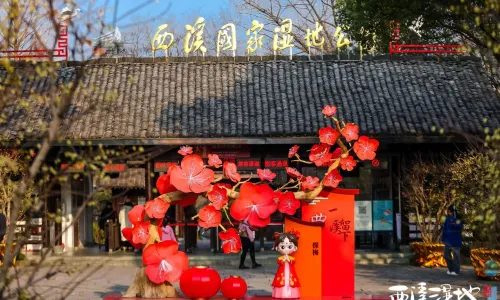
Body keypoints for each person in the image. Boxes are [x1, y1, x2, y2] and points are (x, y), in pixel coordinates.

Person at [272, 230, 301, 299]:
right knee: (282, 281)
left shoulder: (291, 258)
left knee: (290, 281)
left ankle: (290, 293)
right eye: (282, 247)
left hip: (290, 271)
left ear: (295, 248)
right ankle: (281, 293)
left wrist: (288, 260)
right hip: (282, 272)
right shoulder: (280, 258)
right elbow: (279, 262)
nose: (286, 249)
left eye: (289, 247)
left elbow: (293, 262)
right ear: (277, 248)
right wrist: (283, 260)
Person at [442, 205, 463, 276]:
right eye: (448, 212)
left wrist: (454, 224)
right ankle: (451, 269)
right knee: (446, 255)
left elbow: (460, 228)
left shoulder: (458, 219)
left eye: (450, 212)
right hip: (448, 240)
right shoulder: (447, 219)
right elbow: (444, 229)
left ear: (453, 212)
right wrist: (443, 238)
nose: (449, 213)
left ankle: (456, 271)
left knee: (456, 256)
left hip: (455, 240)